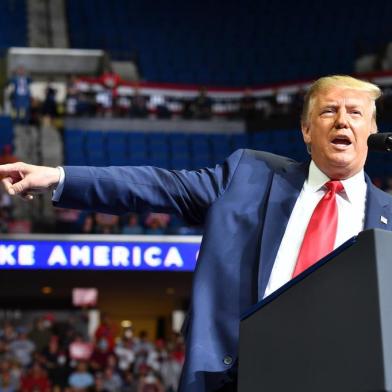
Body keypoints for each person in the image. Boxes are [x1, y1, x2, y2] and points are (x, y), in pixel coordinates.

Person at [1, 75, 392, 392]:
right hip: (237, 378)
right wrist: (58, 178)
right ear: (306, 130)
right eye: (329, 111)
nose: (343, 120)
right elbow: (157, 186)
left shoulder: (388, 217)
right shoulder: (249, 177)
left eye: (356, 113)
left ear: (373, 130)